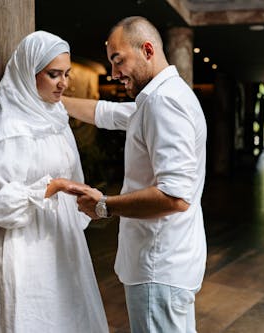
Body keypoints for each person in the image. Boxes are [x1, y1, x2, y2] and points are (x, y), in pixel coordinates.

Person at [62, 16, 207, 333]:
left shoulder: (163, 103)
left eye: (118, 60)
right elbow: (108, 113)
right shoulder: (161, 98)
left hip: (160, 267)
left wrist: (104, 205)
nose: (113, 74)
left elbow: (175, 196)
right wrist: (55, 101)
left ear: (147, 50)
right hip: (170, 261)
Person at [0, 31, 109, 333]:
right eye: (53, 74)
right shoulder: (9, 126)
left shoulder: (57, 121)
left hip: (63, 243)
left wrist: (84, 198)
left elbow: (73, 177)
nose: (64, 83)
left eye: (67, 74)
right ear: (27, 72)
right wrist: (53, 188)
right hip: (25, 248)